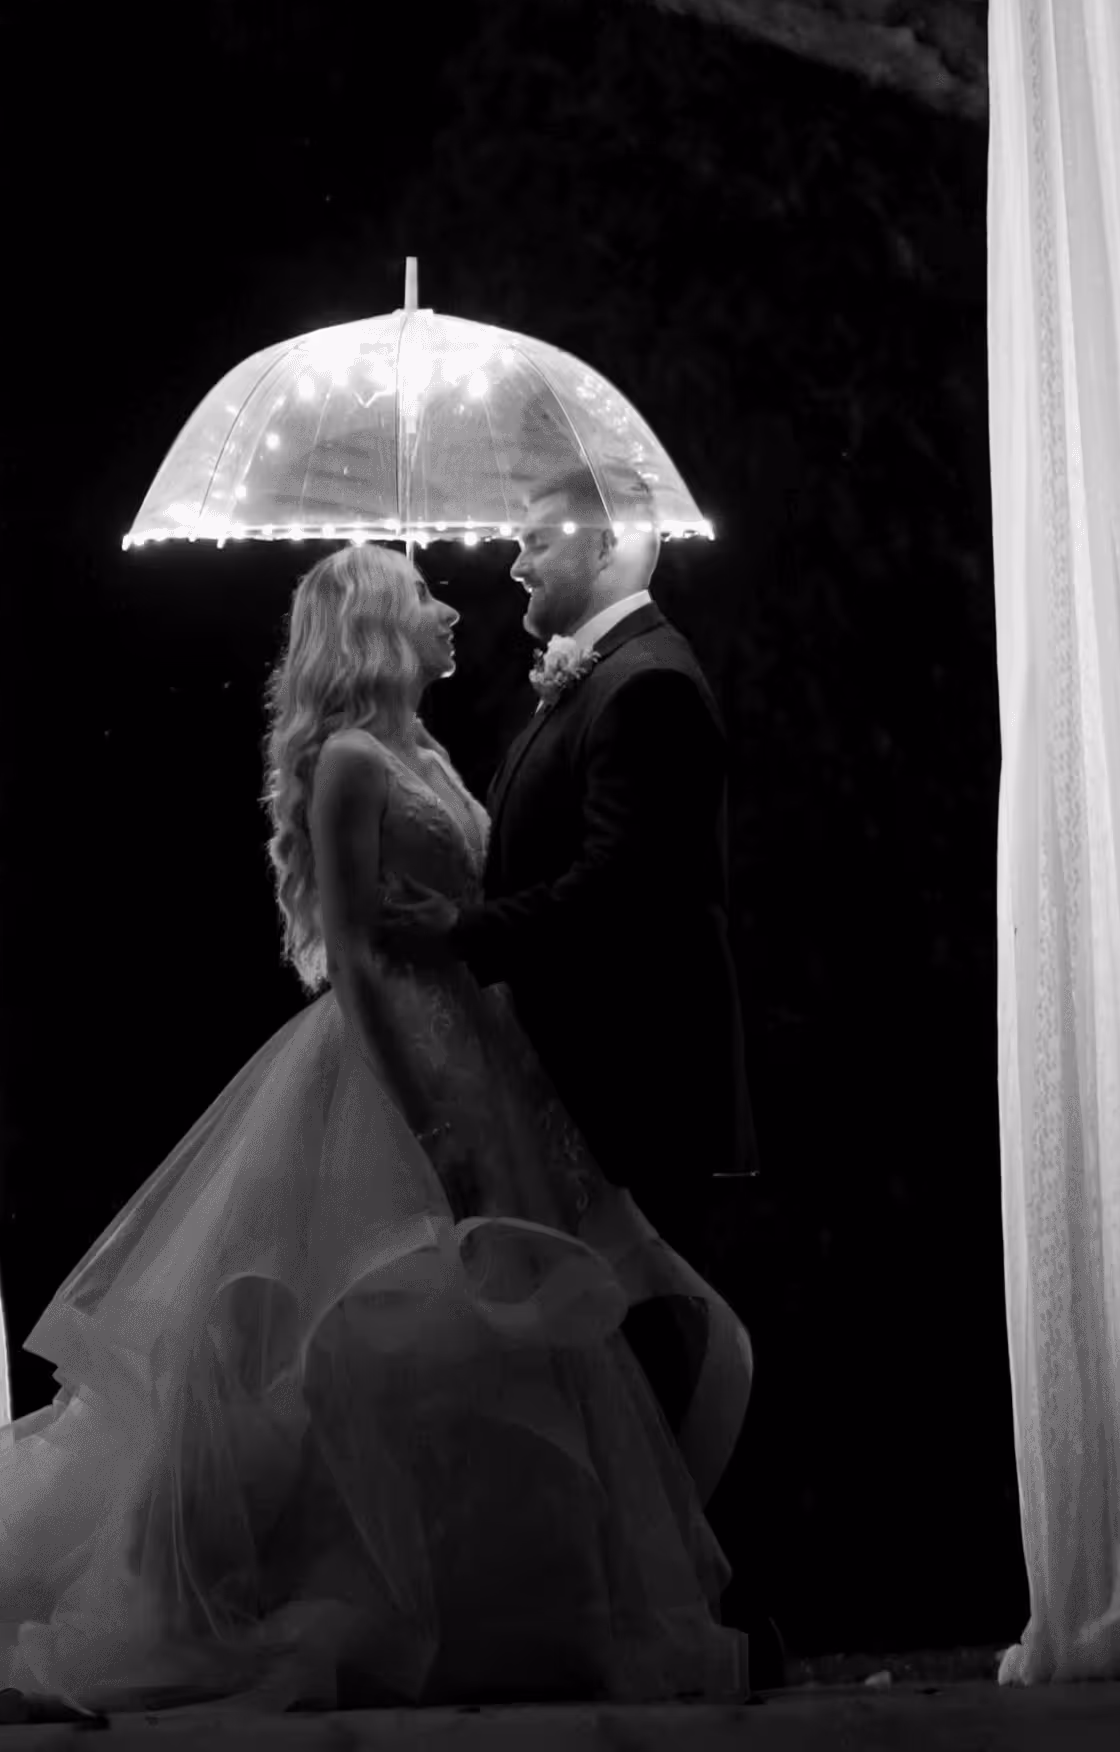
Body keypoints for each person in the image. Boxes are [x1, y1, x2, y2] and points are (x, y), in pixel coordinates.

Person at [0, 542, 739, 1736]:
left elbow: (468, 905)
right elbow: (354, 955)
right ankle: (332, 1594)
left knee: (460, 1340)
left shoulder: (426, 754)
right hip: (389, 1061)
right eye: (420, 595)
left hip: (475, 1050)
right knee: (362, 1320)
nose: (448, 610)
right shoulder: (350, 762)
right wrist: (426, 1106)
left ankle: (465, 1595)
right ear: (372, 626)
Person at [380, 464, 759, 1509]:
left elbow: (616, 888)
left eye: (536, 540)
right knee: (610, 1377)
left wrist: (462, 933)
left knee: (652, 1372)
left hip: (632, 1088)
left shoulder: (648, 686)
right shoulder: (600, 680)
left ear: (606, 544)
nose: (513, 562)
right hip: (577, 1085)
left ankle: (691, 1590)